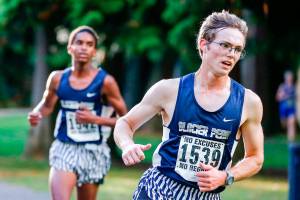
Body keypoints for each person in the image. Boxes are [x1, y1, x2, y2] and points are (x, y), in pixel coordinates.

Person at [114, 10, 264, 200]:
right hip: (159, 189)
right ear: (204, 44)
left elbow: (255, 158)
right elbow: (125, 123)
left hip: (205, 196)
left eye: (237, 49)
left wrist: (226, 176)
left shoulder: (248, 102)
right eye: (225, 45)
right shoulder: (169, 90)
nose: (231, 54)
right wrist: (127, 145)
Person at [28, 26, 127, 200]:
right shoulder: (57, 78)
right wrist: (37, 113)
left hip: (94, 150)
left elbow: (126, 120)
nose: (83, 47)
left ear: (94, 51)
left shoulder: (106, 82)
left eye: (89, 44)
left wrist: (95, 119)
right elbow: (47, 105)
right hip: (65, 147)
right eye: (79, 43)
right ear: (70, 48)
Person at [276, 70, 296, 142]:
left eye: (290, 77)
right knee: (284, 124)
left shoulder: (295, 87)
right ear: (285, 78)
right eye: (288, 77)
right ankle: (287, 134)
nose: (289, 78)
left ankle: (291, 140)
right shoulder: (282, 87)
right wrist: (285, 96)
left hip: (292, 107)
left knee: (291, 122)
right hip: (283, 108)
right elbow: (278, 97)